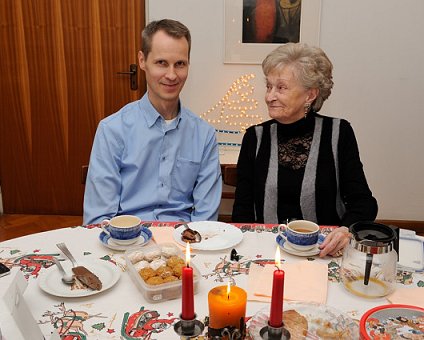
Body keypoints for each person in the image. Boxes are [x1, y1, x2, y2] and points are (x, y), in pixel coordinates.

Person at [232, 43, 378, 257]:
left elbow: (363, 202)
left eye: (281, 88)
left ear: (310, 95)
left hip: (325, 252)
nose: (269, 96)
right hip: (269, 251)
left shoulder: (339, 133)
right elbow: (242, 209)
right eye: (268, 86)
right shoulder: (255, 137)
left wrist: (345, 231)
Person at [83, 19, 222, 225]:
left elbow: (205, 220)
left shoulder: (204, 135)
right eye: (161, 63)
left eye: (180, 64)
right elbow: (98, 219)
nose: (172, 75)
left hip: (182, 243)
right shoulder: (112, 130)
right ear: (142, 61)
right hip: (126, 242)